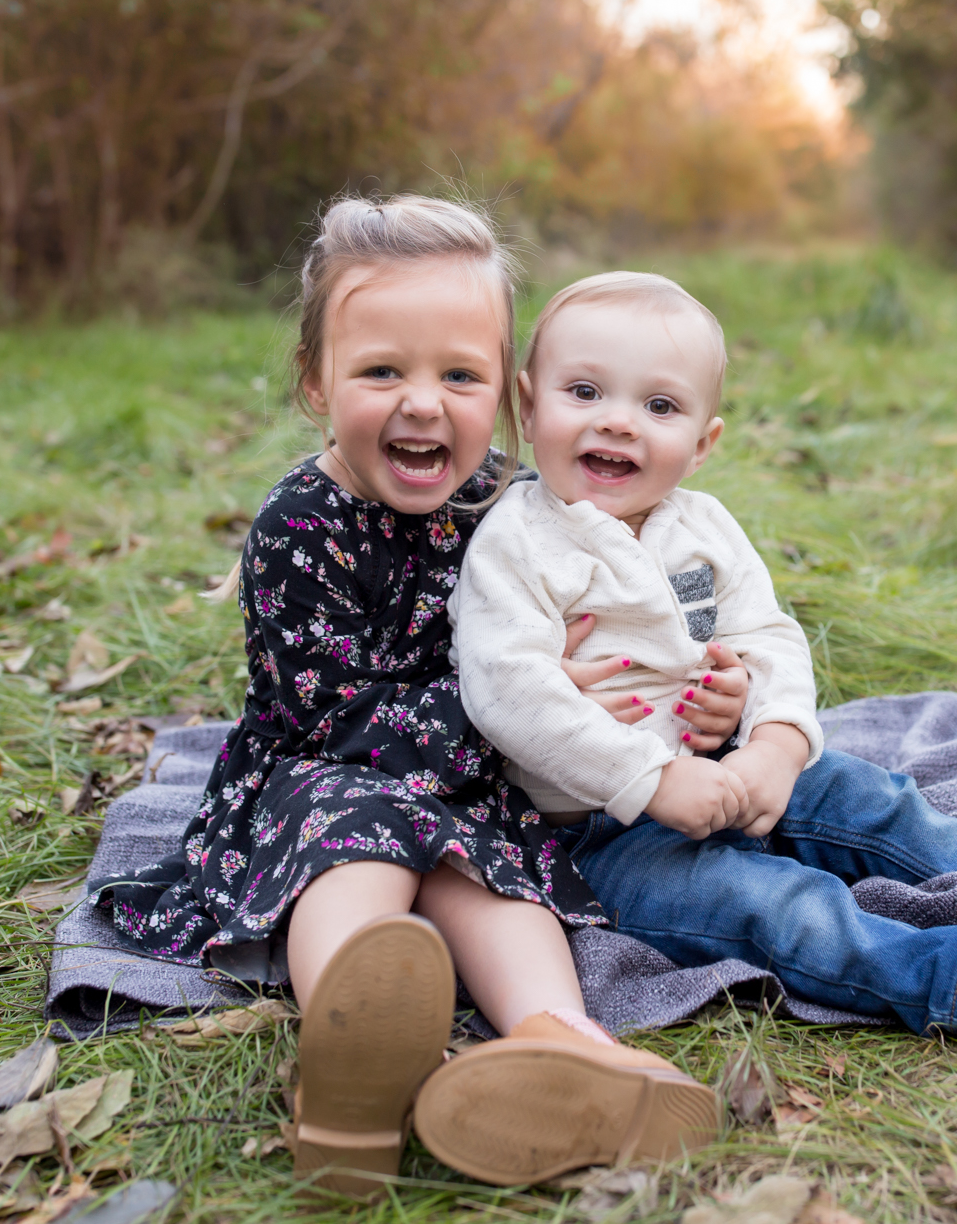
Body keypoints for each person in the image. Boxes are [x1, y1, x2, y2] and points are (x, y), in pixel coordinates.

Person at [89, 203, 719, 1200]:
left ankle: (561, 1039)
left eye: (458, 376)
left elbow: (605, 620)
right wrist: (512, 707)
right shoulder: (299, 525)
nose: (422, 404)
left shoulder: (510, 506)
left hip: (472, 782)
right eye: (383, 372)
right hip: (322, 773)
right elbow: (322, 715)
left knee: (490, 877)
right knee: (363, 846)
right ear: (316, 382)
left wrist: (682, 695)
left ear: (507, 395)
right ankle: (356, 1037)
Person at [439, 271, 957, 1050]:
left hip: (734, 768)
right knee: (777, 904)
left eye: (660, 406)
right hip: (596, 835)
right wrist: (656, 780)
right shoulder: (517, 542)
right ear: (529, 408)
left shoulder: (702, 526)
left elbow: (768, 637)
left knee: (874, 801)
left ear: (704, 442)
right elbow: (509, 690)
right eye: (585, 392)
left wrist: (772, 742)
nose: (619, 423)